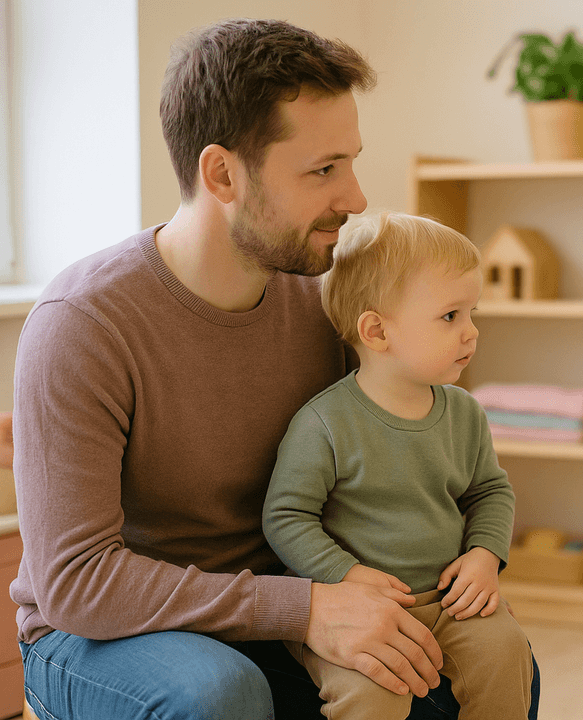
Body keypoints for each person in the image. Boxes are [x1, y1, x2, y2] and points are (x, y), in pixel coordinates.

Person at [11, 18, 539, 720]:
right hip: (107, 633)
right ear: (223, 174)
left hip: (283, 600)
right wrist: (307, 607)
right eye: (323, 170)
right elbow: (78, 582)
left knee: (476, 673)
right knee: (221, 695)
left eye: (350, 161)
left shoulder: (325, 304)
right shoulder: (82, 324)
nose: (354, 197)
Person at [263, 211, 534, 719]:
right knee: (372, 695)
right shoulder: (323, 424)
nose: (472, 332)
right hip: (355, 609)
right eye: (451, 316)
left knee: (507, 656)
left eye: (472, 312)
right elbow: (286, 517)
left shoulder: (464, 413)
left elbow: (490, 492)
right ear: (377, 331)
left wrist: (484, 556)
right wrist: (343, 573)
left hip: (449, 600)